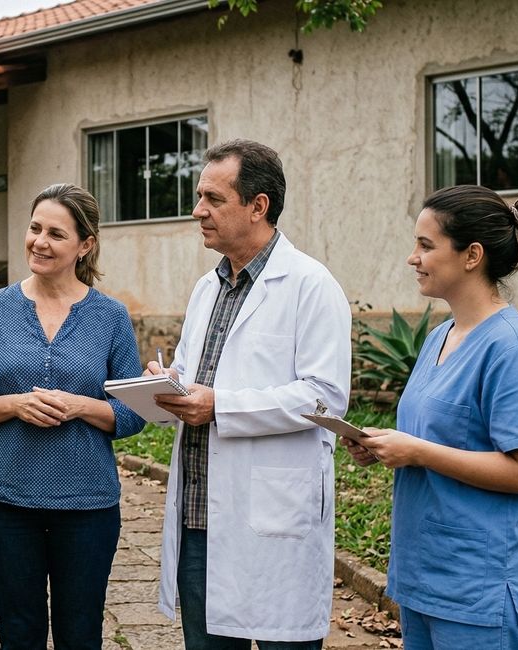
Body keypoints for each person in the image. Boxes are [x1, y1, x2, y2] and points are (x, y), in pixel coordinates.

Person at [146, 139, 352, 649]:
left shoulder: (311, 285)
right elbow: (197, 379)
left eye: (214, 199)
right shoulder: (206, 288)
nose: (199, 211)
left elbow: (324, 396)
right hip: (199, 516)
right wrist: (167, 387)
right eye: (200, 197)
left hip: (271, 517)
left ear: (258, 206)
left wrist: (220, 405)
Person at [340, 185, 518, 649]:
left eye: (425, 245)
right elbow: (435, 441)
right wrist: (384, 446)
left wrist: (417, 450)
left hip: (482, 591)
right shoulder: (439, 337)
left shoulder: (513, 349)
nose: (412, 258)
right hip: (425, 578)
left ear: (472, 255)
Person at [0, 183, 147, 649]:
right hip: (4, 503)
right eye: (35, 228)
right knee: (19, 632)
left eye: (56, 233)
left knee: (81, 634)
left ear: (85, 245)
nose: (39, 241)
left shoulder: (111, 316)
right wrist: (15, 404)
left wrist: (80, 406)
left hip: (87, 506)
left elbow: (134, 412)